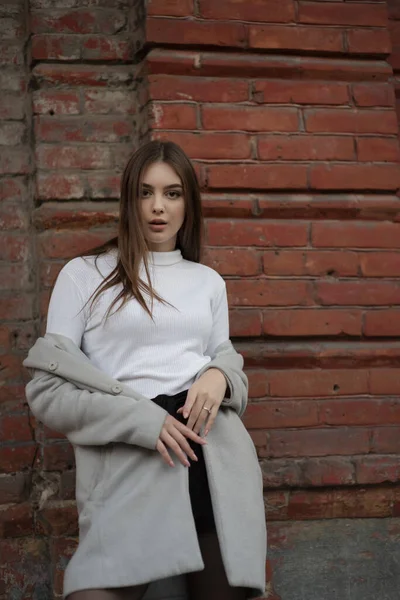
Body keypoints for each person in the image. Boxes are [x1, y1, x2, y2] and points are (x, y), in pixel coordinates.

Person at [23, 141, 266, 600]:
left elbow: (227, 358)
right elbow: (48, 392)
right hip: (128, 461)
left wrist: (220, 376)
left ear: (188, 203)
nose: (158, 207)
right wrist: (144, 421)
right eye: (145, 192)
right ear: (128, 199)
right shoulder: (85, 275)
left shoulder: (207, 282)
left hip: (212, 464)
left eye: (173, 194)